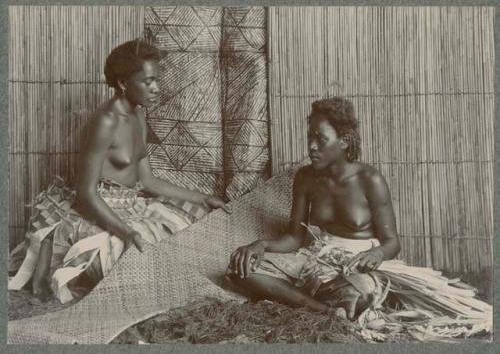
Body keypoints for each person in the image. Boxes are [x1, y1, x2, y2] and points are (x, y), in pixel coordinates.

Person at [227, 97, 491, 339]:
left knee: (361, 291)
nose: (311, 146)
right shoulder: (306, 178)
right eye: (310, 137)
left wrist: (375, 256)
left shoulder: (369, 180)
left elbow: (392, 243)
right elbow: (295, 237)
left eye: (321, 139)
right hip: (315, 259)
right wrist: (260, 245)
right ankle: (322, 308)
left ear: (344, 141)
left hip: (357, 264)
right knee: (240, 271)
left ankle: (314, 300)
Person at [9, 39, 231, 304]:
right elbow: (86, 195)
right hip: (98, 211)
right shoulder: (106, 121)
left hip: (131, 203)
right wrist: (127, 233)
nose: (157, 89)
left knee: (193, 229)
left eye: (157, 80)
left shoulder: (138, 116)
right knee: (141, 267)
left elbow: (147, 180)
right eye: (147, 82)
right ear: (123, 83)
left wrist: (202, 198)